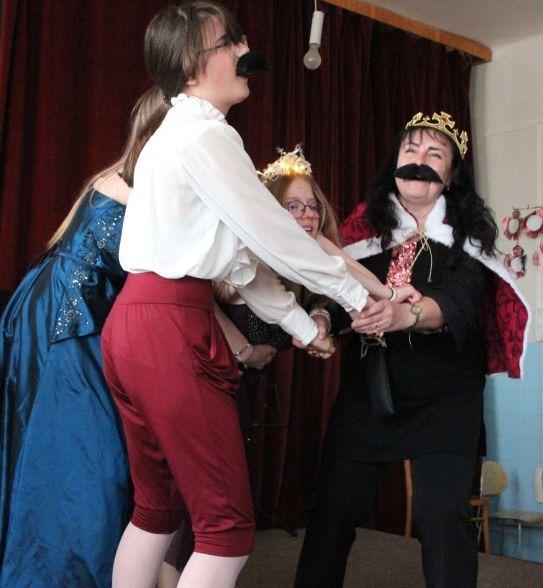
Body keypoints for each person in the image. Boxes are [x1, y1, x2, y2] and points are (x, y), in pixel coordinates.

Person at [100, 3, 376, 587]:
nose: (245, 50)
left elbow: (244, 265)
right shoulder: (205, 134)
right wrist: (357, 298)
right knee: (226, 529)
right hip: (169, 326)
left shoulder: (176, 136)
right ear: (190, 67)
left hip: (131, 326)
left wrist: (301, 328)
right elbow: (275, 235)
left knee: (154, 510)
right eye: (229, 42)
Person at [295, 111, 530, 588]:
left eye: (434, 154)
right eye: (410, 150)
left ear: (452, 174)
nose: (418, 161)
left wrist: (408, 315)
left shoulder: (469, 238)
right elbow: (333, 291)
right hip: (368, 392)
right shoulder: (362, 228)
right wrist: (319, 318)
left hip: (446, 398)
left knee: (442, 519)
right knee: (332, 513)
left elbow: (460, 300)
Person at [0, 86, 170, 587]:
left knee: (61, 446)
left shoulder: (123, 180)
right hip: (68, 320)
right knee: (80, 455)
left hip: (60, 312)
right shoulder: (137, 188)